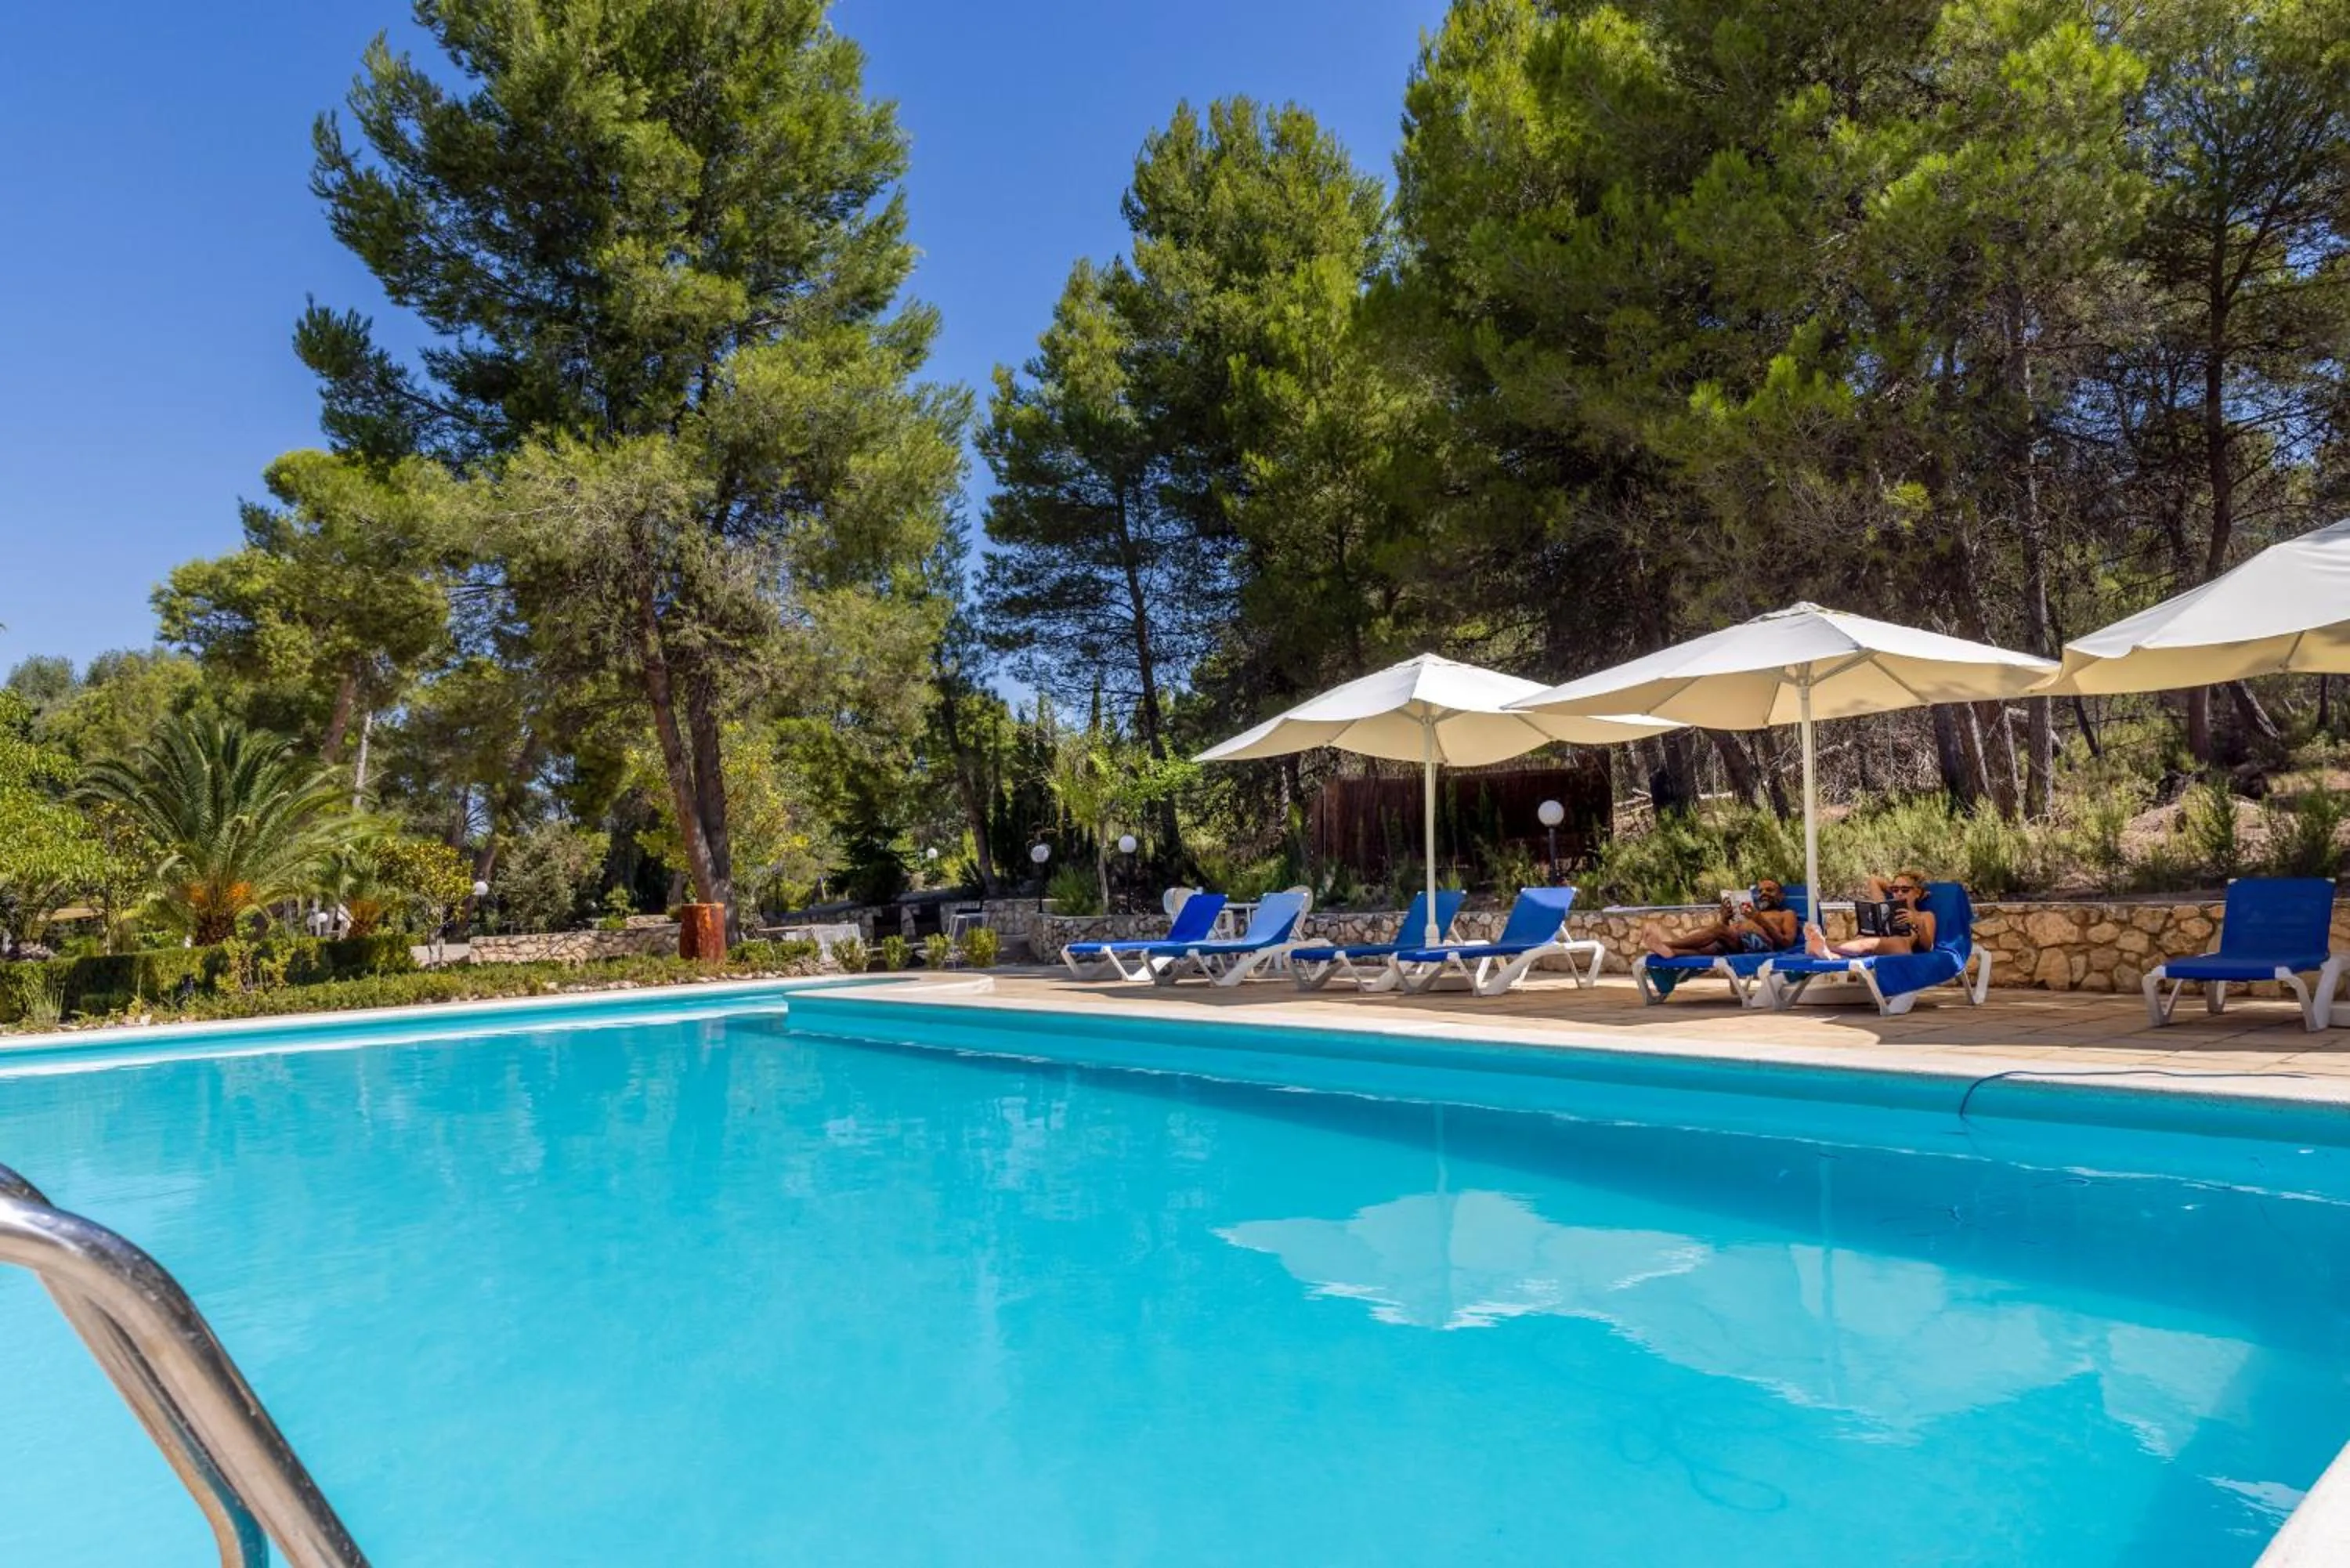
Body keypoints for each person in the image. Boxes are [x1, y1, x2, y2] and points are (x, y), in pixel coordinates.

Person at [1643, 879, 1801, 961]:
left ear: (1781, 896)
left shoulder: (1786, 914)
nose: (1763, 893)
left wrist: (1759, 920)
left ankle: (1666, 944)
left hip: (1759, 945)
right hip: (1737, 942)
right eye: (1760, 891)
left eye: (1770, 890)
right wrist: (1725, 918)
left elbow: (1787, 942)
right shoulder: (1753, 911)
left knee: (1718, 929)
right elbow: (1729, 930)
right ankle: (1670, 952)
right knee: (1709, 949)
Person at [1806, 870, 1937, 958]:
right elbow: (1874, 880)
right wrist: (1894, 887)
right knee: (1862, 939)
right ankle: (1825, 952)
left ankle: (1824, 947)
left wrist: (1918, 924)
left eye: (1905, 890)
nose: (1899, 893)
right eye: (1895, 889)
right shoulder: (1886, 907)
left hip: (1901, 946)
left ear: (1917, 893)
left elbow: (1928, 947)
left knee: (1869, 943)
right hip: (1879, 943)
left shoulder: (1924, 916)